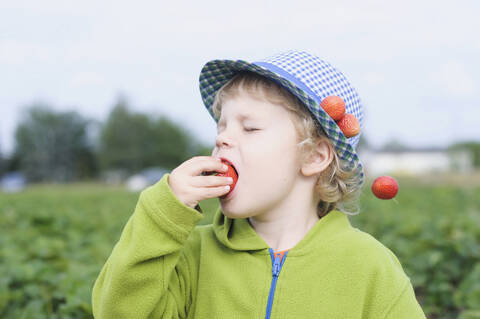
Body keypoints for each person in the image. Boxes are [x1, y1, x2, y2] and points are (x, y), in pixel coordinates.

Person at [92, 50, 426, 318]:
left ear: (314, 157)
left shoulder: (370, 267)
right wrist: (162, 214)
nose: (223, 139)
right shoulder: (190, 257)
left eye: (249, 128)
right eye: (221, 128)